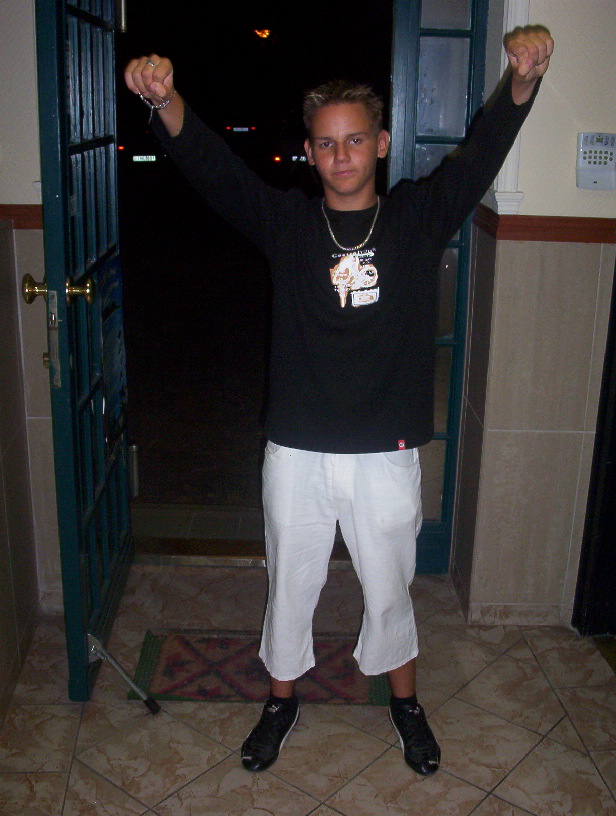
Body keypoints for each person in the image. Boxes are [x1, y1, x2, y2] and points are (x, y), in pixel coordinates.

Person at [125, 24, 553, 777]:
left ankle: (405, 703)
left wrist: (522, 81)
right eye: (326, 143)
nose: (342, 155)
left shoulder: (416, 218)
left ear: (381, 144)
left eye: (355, 140)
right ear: (310, 151)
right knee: (290, 584)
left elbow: (482, 154)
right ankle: (280, 700)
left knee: (389, 589)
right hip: (297, 447)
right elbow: (216, 172)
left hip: (385, 450)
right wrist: (166, 102)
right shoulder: (289, 225)